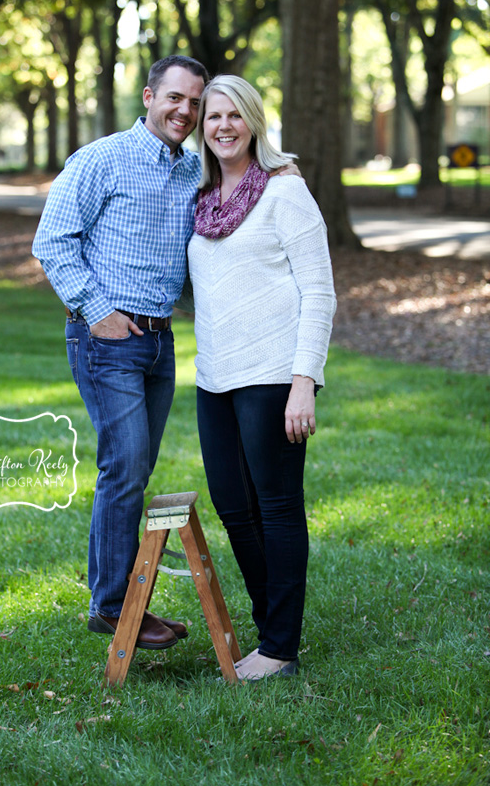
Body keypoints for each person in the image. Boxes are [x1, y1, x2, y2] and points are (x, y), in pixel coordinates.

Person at [32, 56, 209, 651]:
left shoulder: (191, 175)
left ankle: (118, 600)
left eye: (195, 103)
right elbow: (53, 240)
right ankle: (111, 606)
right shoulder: (102, 158)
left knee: (134, 469)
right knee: (125, 467)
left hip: (160, 342)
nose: (184, 111)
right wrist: (95, 310)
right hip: (106, 339)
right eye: (175, 98)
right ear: (149, 95)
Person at [188, 75, 337, 680]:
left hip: (274, 374)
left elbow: (320, 292)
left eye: (233, 115)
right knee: (232, 504)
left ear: (253, 121)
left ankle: (280, 647)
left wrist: (306, 380)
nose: (222, 126)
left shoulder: (284, 192)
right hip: (214, 377)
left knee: (276, 507)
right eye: (212, 116)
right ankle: (268, 625)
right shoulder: (202, 198)